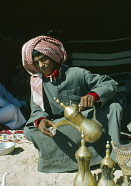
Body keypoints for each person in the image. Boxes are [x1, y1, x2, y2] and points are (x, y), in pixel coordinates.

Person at [22, 35, 123, 173]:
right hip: (61, 125)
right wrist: (40, 120)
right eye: (36, 62)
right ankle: (59, 162)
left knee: (114, 108)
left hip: (85, 119)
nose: (41, 65)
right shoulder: (37, 83)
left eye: (44, 59)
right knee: (29, 130)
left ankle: (112, 156)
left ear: (53, 56)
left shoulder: (77, 73)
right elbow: (36, 109)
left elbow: (109, 83)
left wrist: (93, 95)